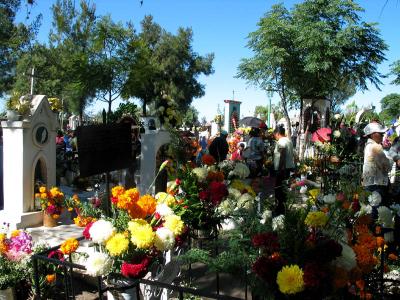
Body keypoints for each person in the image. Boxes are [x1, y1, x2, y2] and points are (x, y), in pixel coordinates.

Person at [362, 122, 392, 216]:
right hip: (377, 184)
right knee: (379, 214)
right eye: (381, 133)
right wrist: (390, 160)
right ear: (373, 134)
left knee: (371, 211)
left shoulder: (368, 146)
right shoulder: (375, 147)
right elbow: (387, 166)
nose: (383, 135)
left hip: (370, 183)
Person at [273, 125, 295, 215]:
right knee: (284, 188)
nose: (274, 136)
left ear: (278, 134)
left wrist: (280, 168)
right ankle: (284, 208)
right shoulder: (288, 140)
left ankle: (280, 209)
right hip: (287, 168)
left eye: (275, 135)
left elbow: (282, 155)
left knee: (279, 189)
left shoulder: (281, 141)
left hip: (282, 169)